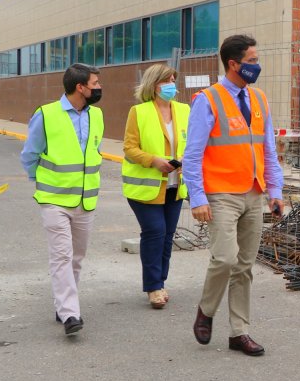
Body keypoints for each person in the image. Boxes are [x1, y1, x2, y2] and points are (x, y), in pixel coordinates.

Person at [183, 34, 286, 356]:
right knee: (225, 258)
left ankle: (239, 332)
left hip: (254, 193)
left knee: (244, 266)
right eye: (252, 61)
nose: (258, 66)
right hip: (221, 194)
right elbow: (192, 154)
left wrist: (275, 190)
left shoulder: (259, 100)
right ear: (233, 63)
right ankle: (207, 310)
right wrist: (197, 198)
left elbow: (268, 150)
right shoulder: (208, 100)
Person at [19, 63, 104, 336]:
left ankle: (64, 305)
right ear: (80, 87)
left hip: (85, 199)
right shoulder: (46, 114)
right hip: (54, 200)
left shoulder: (97, 116)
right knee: (62, 256)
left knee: (76, 257)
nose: (99, 87)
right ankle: (70, 314)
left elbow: (95, 152)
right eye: (95, 83)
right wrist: (42, 181)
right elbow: (29, 155)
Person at [122, 64, 190, 309]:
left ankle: (160, 281)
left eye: (173, 79)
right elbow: (129, 148)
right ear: (153, 84)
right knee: (155, 233)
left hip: (175, 185)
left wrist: (185, 162)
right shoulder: (138, 112)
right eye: (166, 80)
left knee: (167, 236)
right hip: (146, 187)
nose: (172, 84)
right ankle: (153, 287)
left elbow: (191, 143)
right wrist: (154, 161)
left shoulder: (184, 110)